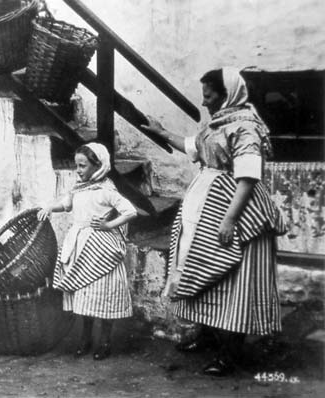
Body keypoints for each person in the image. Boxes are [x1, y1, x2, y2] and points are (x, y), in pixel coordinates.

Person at [141, 67, 286, 376]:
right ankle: (207, 336)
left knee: (234, 279)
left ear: (228, 94)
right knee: (201, 268)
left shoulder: (246, 127)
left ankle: (230, 353)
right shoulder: (220, 122)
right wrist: (162, 131)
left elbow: (247, 177)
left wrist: (230, 220)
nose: (204, 102)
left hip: (237, 210)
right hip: (206, 206)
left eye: (209, 96)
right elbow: (197, 148)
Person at [38, 143, 137, 360]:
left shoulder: (106, 191)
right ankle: (85, 338)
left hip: (102, 248)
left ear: (98, 166)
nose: (78, 170)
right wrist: (49, 208)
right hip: (80, 246)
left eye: (83, 165)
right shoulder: (79, 188)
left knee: (103, 294)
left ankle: (105, 340)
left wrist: (109, 225)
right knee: (84, 295)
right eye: (77, 165)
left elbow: (130, 211)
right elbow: (66, 203)